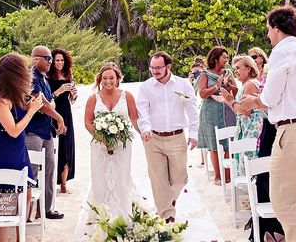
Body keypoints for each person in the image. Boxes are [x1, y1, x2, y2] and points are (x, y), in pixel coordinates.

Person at [237, 6, 296, 242]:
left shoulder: (281, 53)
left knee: (282, 202)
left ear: (276, 28)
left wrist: (254, 101)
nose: (267, 35)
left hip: (294, 131)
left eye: (268, 29)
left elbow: (270, 98)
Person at [75, 62, 140, 240]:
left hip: (122, 148)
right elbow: (88, 122)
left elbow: (134, 119)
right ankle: (100, 219)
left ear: (118, 79)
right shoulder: (93, 98)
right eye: (105, 78)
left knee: (121, 179)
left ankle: (123, 218)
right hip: (99, 148)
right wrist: (102, 138)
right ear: (100, 79)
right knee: (99, 181)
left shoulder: (128, 96)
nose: (108, 81)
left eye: (111, 78)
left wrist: (145, 134)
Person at [136, 51, 199, 222]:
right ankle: (167, 215)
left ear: (168, 67)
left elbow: (192, 110)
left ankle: (166, 202)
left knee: (180, 177)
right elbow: (143, 110)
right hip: (153, 139)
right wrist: (146, 129)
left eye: (158, 68)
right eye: (152, 68)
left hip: (177, 138)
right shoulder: (146, 87)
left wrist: (194, 134)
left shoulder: (182, 85)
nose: (155, 71)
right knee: (158, 179)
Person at [0, 53, 43, 241]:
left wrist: (30, 105)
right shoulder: (0, 100)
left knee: (26, 194)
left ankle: (21, 237)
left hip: (19, 150)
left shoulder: (14, 95)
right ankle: (3, 239)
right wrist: (32, 111)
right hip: (6, 152)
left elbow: (18, 117)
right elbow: (13, 130)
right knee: (5, 200)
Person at [25, 46, 67, 220]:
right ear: (36, 58)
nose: (51, 62)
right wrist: (59, 118)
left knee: (50, 169)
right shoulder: (30, 76)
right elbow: (40, 103)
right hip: (32, 131)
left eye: (51, 59)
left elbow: (49, 101)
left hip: (46, 130)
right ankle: (27, 212)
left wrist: (52, 109)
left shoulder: (44, 77)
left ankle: (45, 209)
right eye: (48, 58)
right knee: (32, 171)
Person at [197, 46, 237, 185]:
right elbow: (202, 94)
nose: (226, 60)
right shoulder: (205, 74)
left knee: (229, 142)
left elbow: (235, 91)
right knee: (214, 143)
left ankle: (228, 176)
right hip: (210, 111)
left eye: (227, 57)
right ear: (215, 58)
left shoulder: (228, 73)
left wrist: (229, 85)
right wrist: (216, 86)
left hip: (227, 109)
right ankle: (218, 176)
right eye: (224, 57)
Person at [222, 55, 264, 175]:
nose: (236, 71)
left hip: (252, 128)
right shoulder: (247, 84)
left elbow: (246, 111)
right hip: (246, 126)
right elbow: (239, 112)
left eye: (238, 68)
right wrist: (228, 100)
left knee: (250, 160)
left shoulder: (250, 84)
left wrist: (230, 101)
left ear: (248, 68)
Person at [47, 48, 77, 194]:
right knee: (53, 147)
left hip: (66, 113)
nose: (59, 63)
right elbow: (48, 98)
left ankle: (64, 184)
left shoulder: (68, 74)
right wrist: (59, 90)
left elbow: (71, 100)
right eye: (57, 60)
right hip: (52, 112)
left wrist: (73, 95)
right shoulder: (47, 77)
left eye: (62, 60)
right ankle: (52, 181)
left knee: (67, 147)